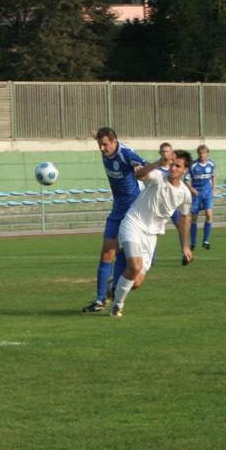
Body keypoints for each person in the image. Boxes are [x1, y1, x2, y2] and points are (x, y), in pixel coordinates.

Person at [109, 150, 193, 318]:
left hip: (151, 235)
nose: (173, 168)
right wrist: (158, 163)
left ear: (185, 170)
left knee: (137, 282)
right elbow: (139, 174)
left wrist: (185, 246)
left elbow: (184, 220)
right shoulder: (158, 176)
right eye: (172, 164)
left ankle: (113, 286)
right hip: (133, 223)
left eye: (178, 166)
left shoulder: (185, 194)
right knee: (135, 266)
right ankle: (117, 306)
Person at [82, 127, 147, 313]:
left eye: (104, 145)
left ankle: (114, 295)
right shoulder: (106, 147)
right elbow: (99, 137)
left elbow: (144, 163)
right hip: (117, 208)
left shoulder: (125, 154)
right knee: (106, 253)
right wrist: (95, 136)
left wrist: (141, 167)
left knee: (122, 256)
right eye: (99, 145)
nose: (102, 148)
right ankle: (100, 300)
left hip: (132, 212)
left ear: (114, 141)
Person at [156, 142, 194, 265]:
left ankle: (184, 251)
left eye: (168, 151)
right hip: (158, 209)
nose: (165, 154)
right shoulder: (156, 171)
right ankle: (151, 256)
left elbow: (185, 218)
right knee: (154, 231)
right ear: (159, 153)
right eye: (163, 151)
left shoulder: (176, 173)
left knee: (181, 227)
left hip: (174, 208)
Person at [188, 144, 216, 250]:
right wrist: (192, 189)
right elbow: (186, 179)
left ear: (207, 153)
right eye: (200, 153)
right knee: (194, 218)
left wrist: (214, 188)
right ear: (198, 154)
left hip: (207, 193)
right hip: (196, 194)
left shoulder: (211, 164)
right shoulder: (193, 165)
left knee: (209, 215)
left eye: (204, 153)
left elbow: (213, 176)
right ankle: (194, 243)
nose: (202, 155)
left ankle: (206, 241)